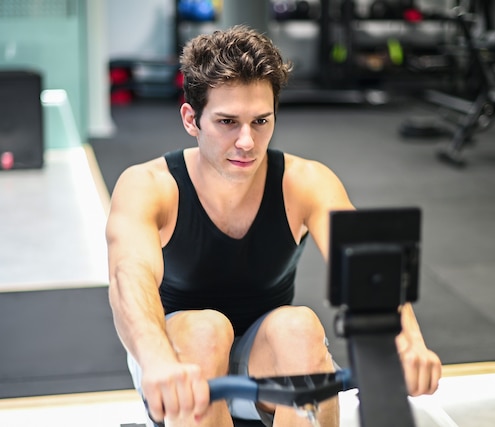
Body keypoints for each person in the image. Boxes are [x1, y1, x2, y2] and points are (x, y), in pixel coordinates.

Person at [106, 25, 441, 427]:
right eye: (227, 122)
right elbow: (130, 279)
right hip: (175, 360)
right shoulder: (149, 186)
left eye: (260, 121)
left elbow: (368, 267)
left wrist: (407, 344)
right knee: (204, 329)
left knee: (300, 326)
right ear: (191, 120)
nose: (247, 141)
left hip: (266, 359)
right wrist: (157, 361)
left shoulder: (304, 182)